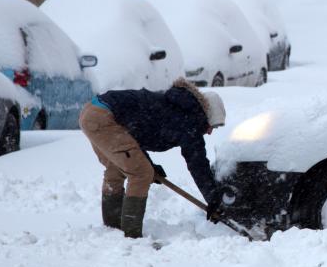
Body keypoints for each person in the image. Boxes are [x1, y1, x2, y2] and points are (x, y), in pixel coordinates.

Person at [79, 78, 227, 238]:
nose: (211, 131)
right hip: (105, 118)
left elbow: (136, 132)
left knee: (117, 168)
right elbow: (197, 163)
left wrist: (149, 163)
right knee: (141, 174)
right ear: (207, 114)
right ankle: (132, 235)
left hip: (93, 112)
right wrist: (213, 198)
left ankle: (112, 229)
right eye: (214, 125)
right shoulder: (189, 121)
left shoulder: (178, 108)